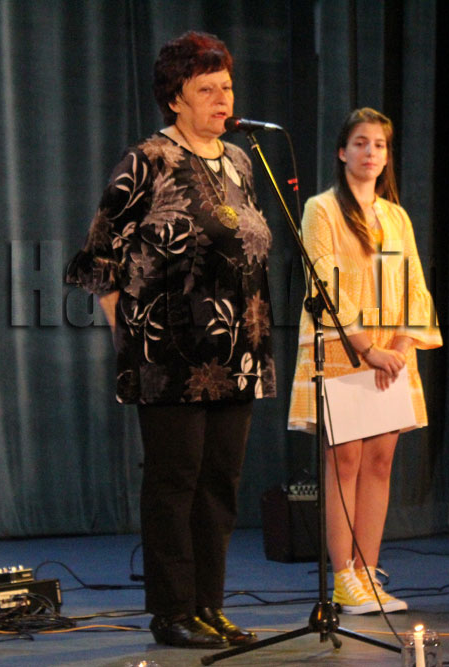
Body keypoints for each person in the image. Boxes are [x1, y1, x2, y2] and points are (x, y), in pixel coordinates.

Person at [65, 31, 274, 649]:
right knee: (174, 484)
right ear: (175, 98)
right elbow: (98, 257)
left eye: (226, 87)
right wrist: (128, 332)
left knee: (220, 487)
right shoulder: (147, 161)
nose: (222, 99)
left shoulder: (240, 162)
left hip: (237, 352)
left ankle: (209, 605)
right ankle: (172, 612)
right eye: (206, 89)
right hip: (169, 355)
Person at [288, 108, 442, 615]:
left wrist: (399, 348)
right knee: (346, 461)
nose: (370, 152)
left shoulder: (396, 216)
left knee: (380, 462)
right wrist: (366, 348)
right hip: (343, 351)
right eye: (360, 142)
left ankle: (367, 572)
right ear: (342, 152)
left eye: (379, 144)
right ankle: (343, 578)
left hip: (390, 356)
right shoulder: (322, 209)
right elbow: (326, 282)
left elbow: (413, 283)